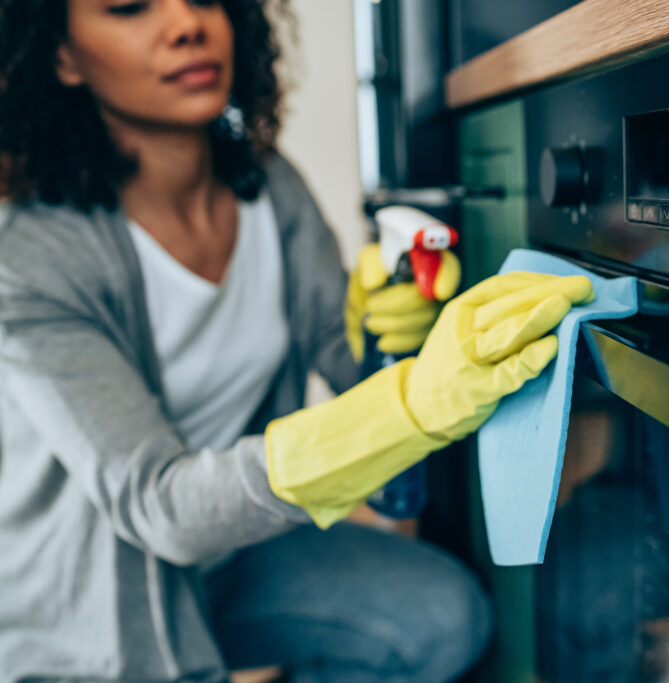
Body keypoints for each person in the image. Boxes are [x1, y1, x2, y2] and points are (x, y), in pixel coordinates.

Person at [0, 0, 593, 680]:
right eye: (130, 6)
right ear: (62, 56)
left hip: (236, 547)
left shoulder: (267, 185)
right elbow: (160, 506)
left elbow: (342, 357)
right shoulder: (26, 260)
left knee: (443, 617)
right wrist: (410, 405)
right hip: (94, 590)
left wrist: (392, 331)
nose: (186, 24)